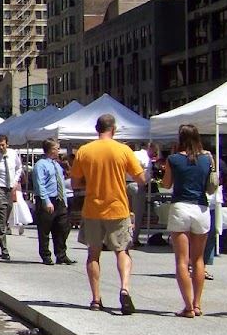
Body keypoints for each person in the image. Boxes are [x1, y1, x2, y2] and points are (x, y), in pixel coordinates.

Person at [69, 114, 147, 314]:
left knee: (93, 254)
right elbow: (141, 179)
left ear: (97, 129)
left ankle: (96, 299)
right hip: (118, 208)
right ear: (114, 129)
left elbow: (75, 183)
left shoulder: (84, 151)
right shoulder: (123, 150)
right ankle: (124, 288)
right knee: (122, 251)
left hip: (92, 208)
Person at [163, 124, 213, 318]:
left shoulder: (174, 159)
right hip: (201, 208)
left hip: (180, 208)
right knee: (198, 259)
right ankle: (198, 304)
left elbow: (167, 184)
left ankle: (188, 307)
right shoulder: (207, 158)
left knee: (182, 261)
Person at [34, 137, 75, 266]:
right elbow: (40, 184)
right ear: (51, 150)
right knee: (45, 230)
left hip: (59, 199)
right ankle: (46, 255)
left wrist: (64, 200)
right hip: (47, 199)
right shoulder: (41, 165)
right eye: (57, 148)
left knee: (62, 227)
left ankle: (61, 254)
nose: (58, 151)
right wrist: (46, 201)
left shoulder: (56, 164)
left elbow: (61, 182)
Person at [0, 135, 23, 260]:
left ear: (7, 144)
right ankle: (3, 249)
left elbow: (19, 168)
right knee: (2, 222)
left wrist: (15, 181)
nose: (1, 147)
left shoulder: (13, 154)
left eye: (3, 145)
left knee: (4, 221)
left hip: (10, 189)